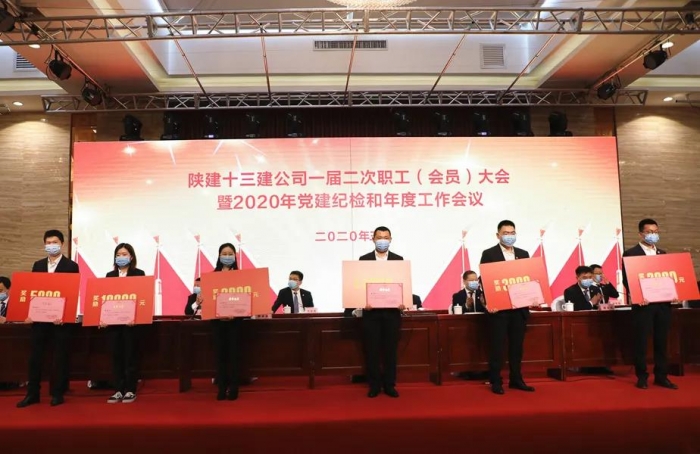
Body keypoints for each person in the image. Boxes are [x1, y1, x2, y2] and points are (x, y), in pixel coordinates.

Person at [17, 229, 80, 408]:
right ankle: (32, 394)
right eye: (48, 243)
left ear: (62, 244)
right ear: (44, 245)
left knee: (59, 358)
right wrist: (28, 313)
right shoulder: (38, 265)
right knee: (35, 358)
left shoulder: (71, 266)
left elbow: (72, 293)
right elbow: (33, 291)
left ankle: (57, 393)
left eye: (55, 242)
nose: (51, 245)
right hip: (39, 321)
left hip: (60, 322)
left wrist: (65, 315)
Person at [480, 220, 534, 395]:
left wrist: (533, 296)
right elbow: (485, 280)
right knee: (497, 347)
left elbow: (529, 278)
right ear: (498, 235)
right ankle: (496, 381)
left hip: (519, 309)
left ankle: (516, 379)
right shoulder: (489, 254)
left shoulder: (523, 254)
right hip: (499, 310)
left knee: (517, 347)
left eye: (512, 233)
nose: (509, 236)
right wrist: (490, 303)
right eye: (506, 233)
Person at [622, 218, 677, 390]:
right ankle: (642, 376)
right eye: (649, 232)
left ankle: (661, 376)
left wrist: (673, 294)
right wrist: (638, 295)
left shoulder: (662, 253)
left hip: (663, 304)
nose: (653, 235)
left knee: (662, 341)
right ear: (641, 234)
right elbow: (627, 280)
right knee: (641, 342)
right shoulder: (631, 254)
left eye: (656, 232)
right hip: (643, 305)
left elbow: (668, 277)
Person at [359, 226, 404, 398]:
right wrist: (362, 301)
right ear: (373, 239)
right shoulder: (364, 260)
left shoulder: (398, 260)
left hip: (392, 313)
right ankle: (374, 385)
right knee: (372, 351)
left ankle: (390, 384)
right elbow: (359, 284)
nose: (382, 240)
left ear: (390, 240)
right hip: (371, 313)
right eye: (379, 237)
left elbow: (403, 284)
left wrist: (403, 301)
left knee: (390, 351)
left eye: (386, 237)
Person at [103, 243, 145, 404]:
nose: (121, 257)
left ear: (131, 257)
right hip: (114, 325)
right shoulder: (110, 275)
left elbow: (142, 298)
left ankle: (130, 389)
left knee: (130, 357)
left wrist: (136, 317)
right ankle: (118, 390)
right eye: (118, 254)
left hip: (131, 325)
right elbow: (105, 298)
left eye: (124, 254)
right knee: (116, 357)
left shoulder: (139, 274)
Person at [208, 243, 243, 401]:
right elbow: (209, 300)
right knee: (220, 356)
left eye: (230, 254)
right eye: (224, 253)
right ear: (219, 255)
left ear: (235, 256)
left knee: (234, 356)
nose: (227, 256)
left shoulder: (241, 277)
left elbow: (245, 299)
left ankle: (234, 388)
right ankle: (221, 388)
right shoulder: (212, 276)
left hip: (235, 323)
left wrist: (235, 314)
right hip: (218, 323)